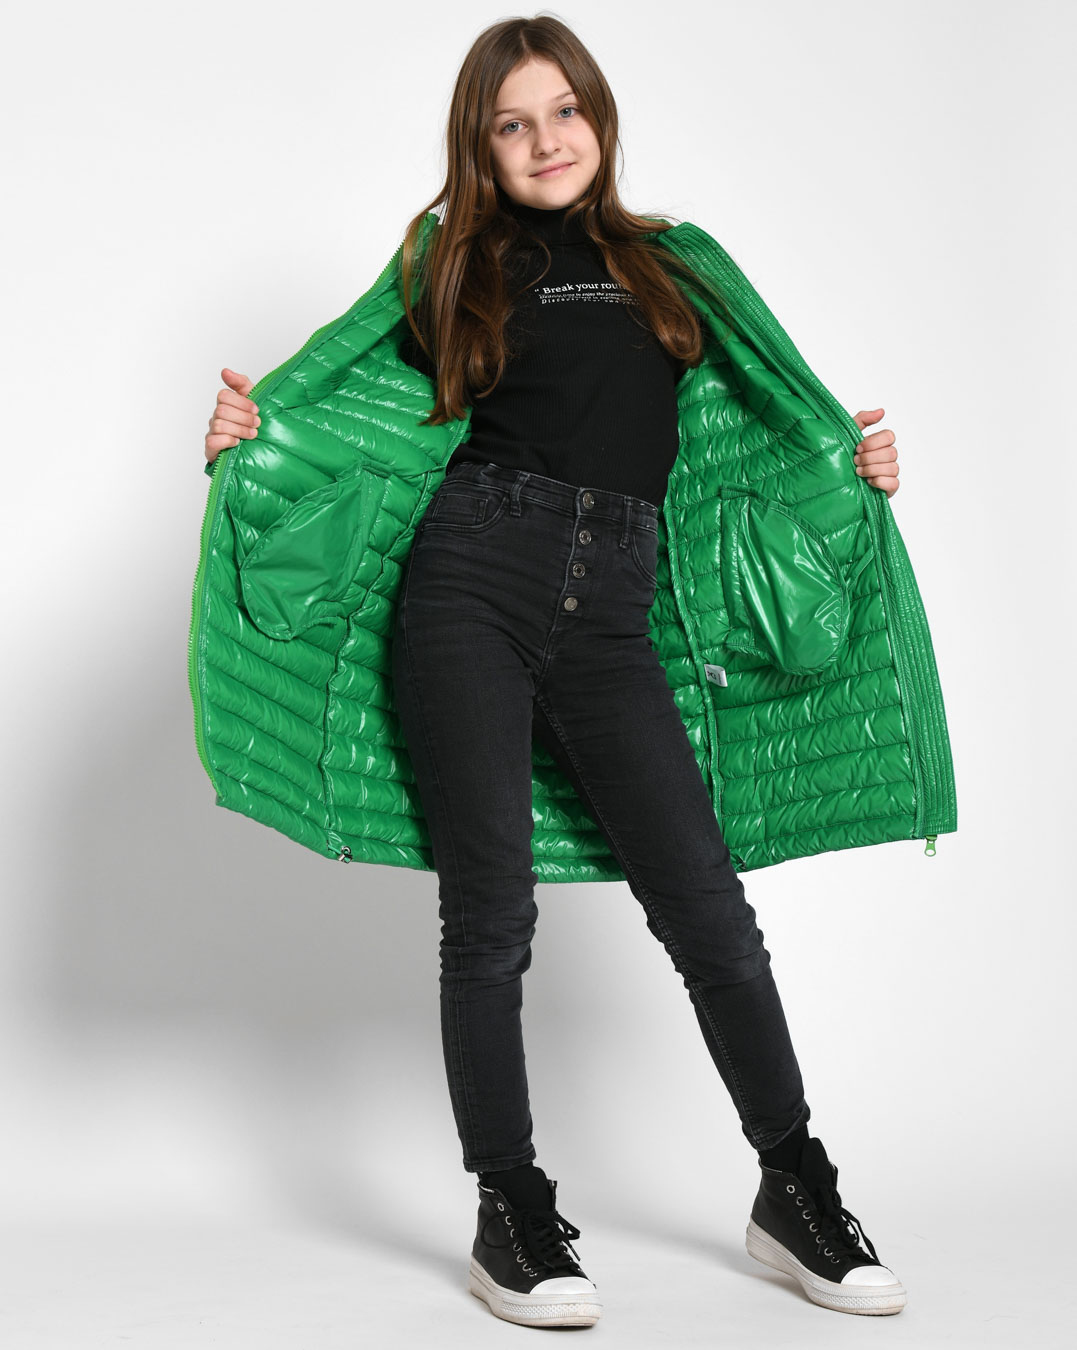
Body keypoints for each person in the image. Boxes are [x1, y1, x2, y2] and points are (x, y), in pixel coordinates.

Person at [202, 14, 911, 1330]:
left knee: (707, 910)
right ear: (482, 147)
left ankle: (794, 1187)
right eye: (511, 124)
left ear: (599, 114)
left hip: (614, 612)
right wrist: (252, 433)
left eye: (563, 111)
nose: (544, 141)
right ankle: (511, 1209)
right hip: (471, 581)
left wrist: (849, 464)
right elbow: (340, 409)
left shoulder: (673, 267)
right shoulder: (448, 265)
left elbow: (766, 427)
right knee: (491, 915)